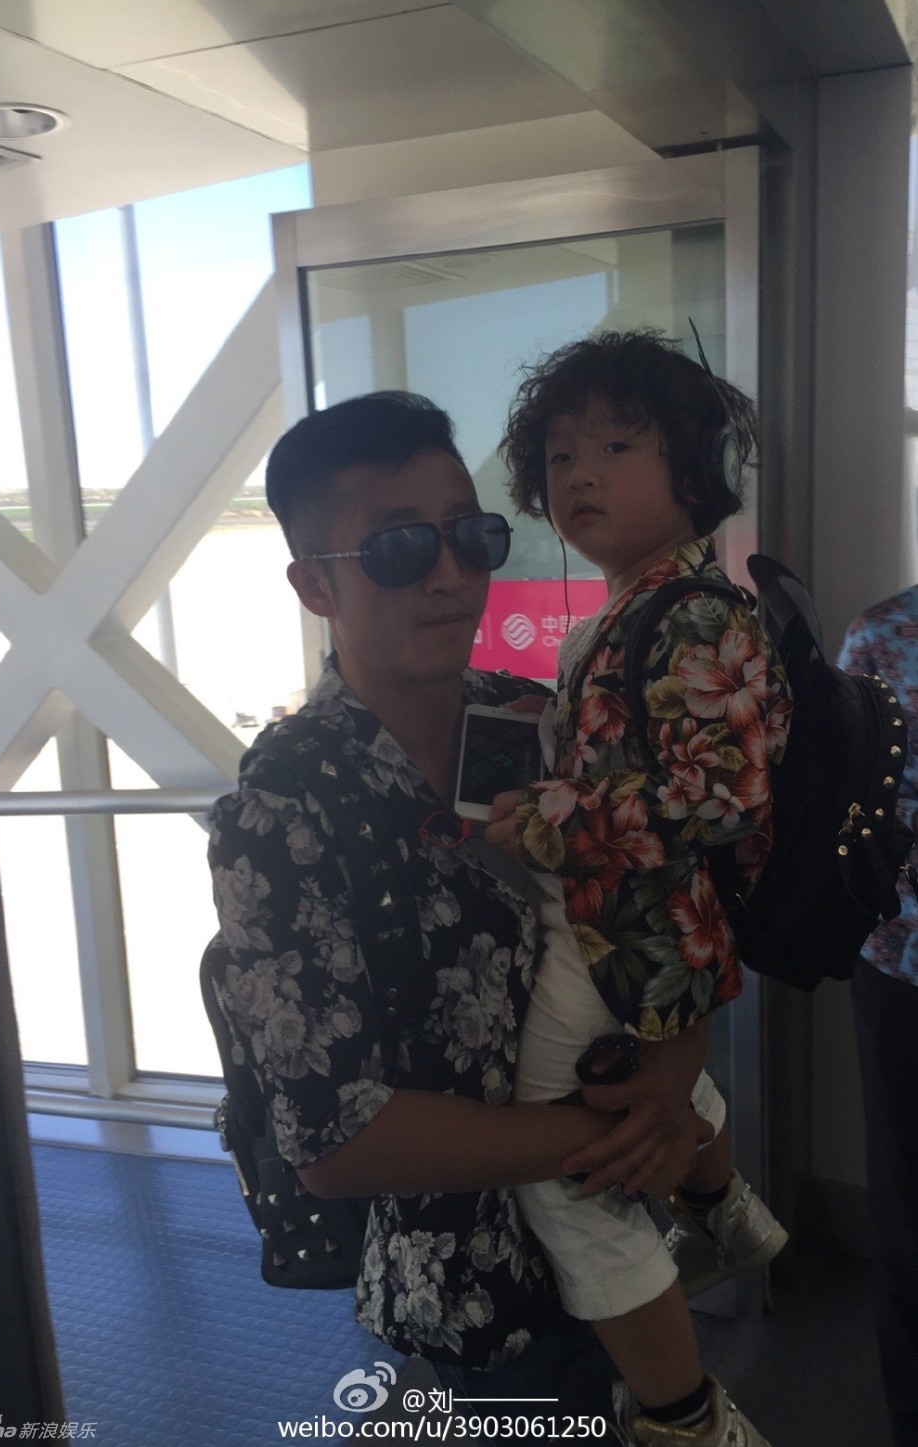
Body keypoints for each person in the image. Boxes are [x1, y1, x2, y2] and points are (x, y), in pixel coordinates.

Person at [204, 391, 710, 1423]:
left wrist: (671, 1077)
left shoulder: (536, 724)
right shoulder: (283, 810)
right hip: (478, 1292)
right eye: (398, 548)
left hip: (629, 1216)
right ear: (313, 584)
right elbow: (336, 1139)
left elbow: (667, 902)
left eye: (470, 537)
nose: (449, 575)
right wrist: (607, 1133)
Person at [484, 332, 791, 1446]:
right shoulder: (632, 607)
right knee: (619, 1109)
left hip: (626, 932)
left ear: (695, 468)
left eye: (617, 446)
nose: (580, 474)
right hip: (625, 927)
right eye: (560, 453)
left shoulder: (696, 612)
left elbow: (724, 794)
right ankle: (722, 1211)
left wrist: (552, 818)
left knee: (563, 1165)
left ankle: (690, 1419)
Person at [838, 588, 918, 1447]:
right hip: (901, 962)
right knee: (905, 1208)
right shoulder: (884, 635)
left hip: (898, 958)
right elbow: (844, 801)